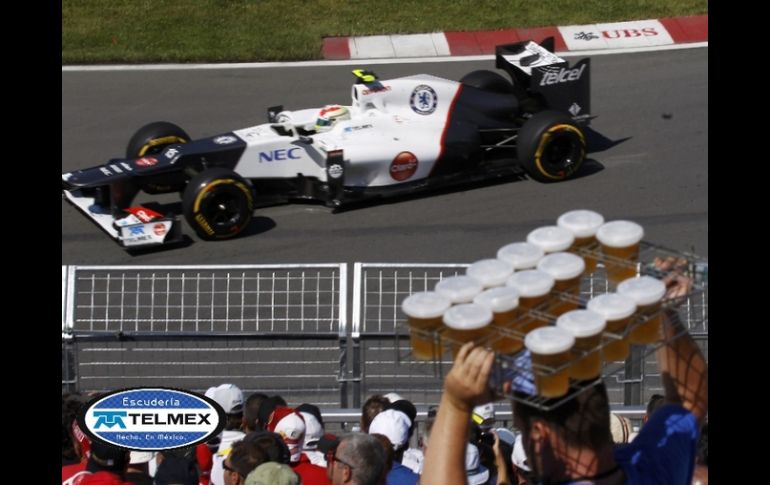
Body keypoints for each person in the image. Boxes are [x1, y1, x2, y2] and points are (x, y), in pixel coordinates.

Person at [420, 258, 708, 485]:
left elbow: (689, 401)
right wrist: (660, 314)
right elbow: (689, 400)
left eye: (521, 429)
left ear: (539, 437)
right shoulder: (650, 467)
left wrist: (456, 404)